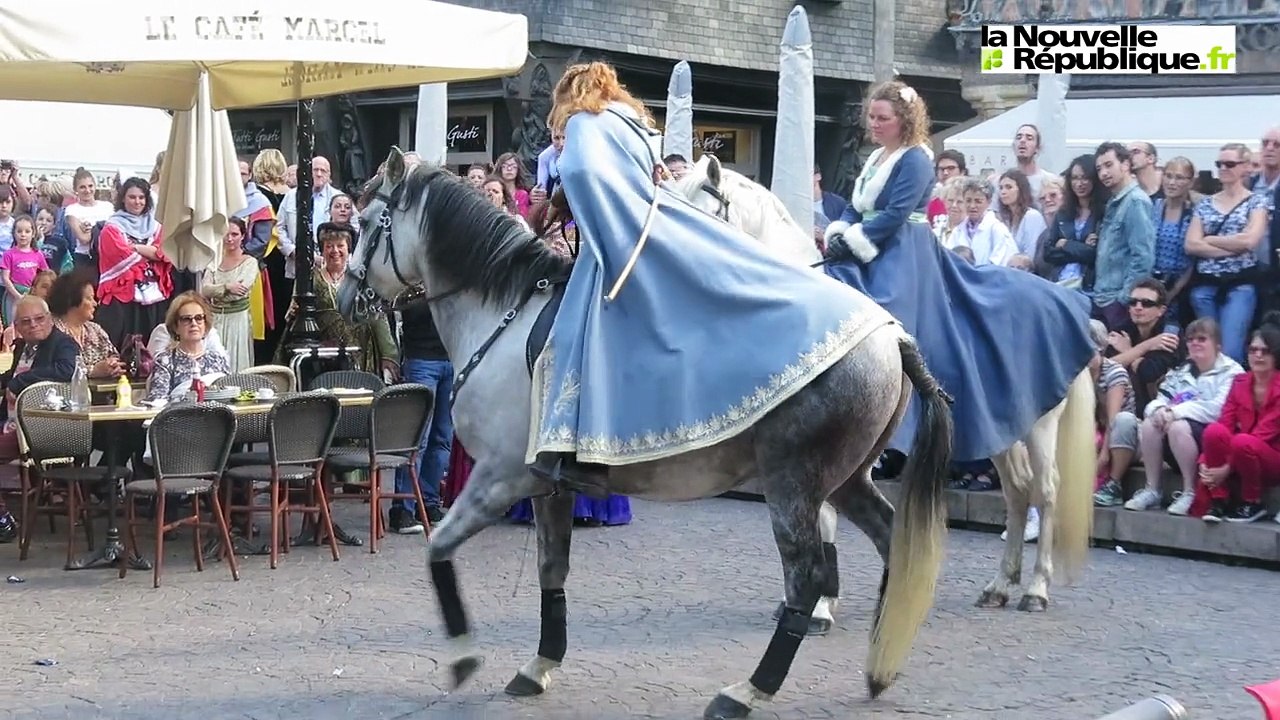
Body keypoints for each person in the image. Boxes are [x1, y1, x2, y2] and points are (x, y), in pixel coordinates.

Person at [526, 62, 885, 485]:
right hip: (659, 230)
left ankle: (579, 449)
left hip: (620, 248)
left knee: (573, 335)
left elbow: (585, 172)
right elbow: (643, 178)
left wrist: (584, 210)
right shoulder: (633, 125)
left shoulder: (586, 123)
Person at [821, 80, 1095, 463]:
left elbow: (896, 214)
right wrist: (838, 230)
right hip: (870, 243)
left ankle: (896, 410)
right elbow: (855, 204)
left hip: (902, 249)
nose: (874, 124)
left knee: (886, 314)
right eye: (871, 117)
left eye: (882, 118)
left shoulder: (915, 157)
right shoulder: (875, 158)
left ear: (902, 120)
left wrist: (853, 239)